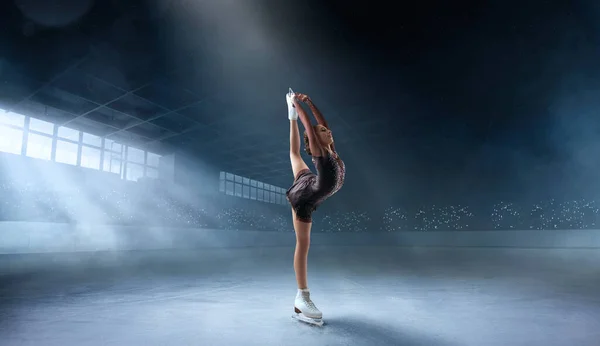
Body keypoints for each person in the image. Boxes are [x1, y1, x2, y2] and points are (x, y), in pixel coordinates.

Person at [285, 89, 346, 325]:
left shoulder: (330, 148)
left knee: (293, 153)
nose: (328, 131)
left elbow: (320, 123)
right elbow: (310, 127)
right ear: (315, 141)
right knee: (304, 244)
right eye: (323, 132)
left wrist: (308, 101)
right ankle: (302, 296)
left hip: (310, 180)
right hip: (305, 198)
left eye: (327, 131)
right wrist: (296, 104)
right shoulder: (321, 153)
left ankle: (289, 116)